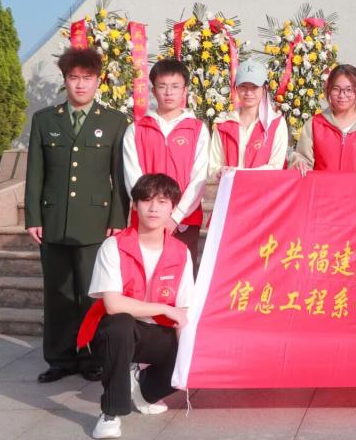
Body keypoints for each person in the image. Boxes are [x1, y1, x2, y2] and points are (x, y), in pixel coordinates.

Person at [24, 47, 130, 383]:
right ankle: (60, 359)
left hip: (95, 222)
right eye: (74, 78)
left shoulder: (114, 121)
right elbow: (35, 173)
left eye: (87, 78)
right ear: (65, 80)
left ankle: (93, 358)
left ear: (98, 81)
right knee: (58, 294)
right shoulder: (45, 120)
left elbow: (119, 175)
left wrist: (118, 219)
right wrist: (33, 217)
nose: (80, 84)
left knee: (92, 293)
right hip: (54, 220)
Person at [81, 173, 193, 440]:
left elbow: (184, 311)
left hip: (157, 333)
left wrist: (187, 358)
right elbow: (112, 304)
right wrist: (162, 309)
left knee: (190, 350)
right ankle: (111, 411)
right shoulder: (114, 246)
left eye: (162, 201)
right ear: (134, 205)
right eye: (146, 200)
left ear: (172, 208)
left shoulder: (181, 252)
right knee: (119, 325)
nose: (153, 208)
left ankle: (144, 388)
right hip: (116, 332)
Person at [122, 59, 210, 272]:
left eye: (175, 86)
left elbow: (199, 178)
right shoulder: (137, 129)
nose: (169, 93)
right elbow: (132, 176)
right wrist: (153, 212)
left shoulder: (197, 129)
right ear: (153, 91)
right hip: (146, 221)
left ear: (185, 90)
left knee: (181, 279)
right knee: (142, 276)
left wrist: (175, 216)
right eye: (162, 86)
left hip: (184, 222)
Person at [290, 64, 356, 173]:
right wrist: (299, 162)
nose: (342, 95)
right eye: (336, 89)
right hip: (322, 184)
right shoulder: (315, 124)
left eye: (349, 90)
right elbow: (303, 159)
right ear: (328, 90)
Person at [209, 58, 288, 179]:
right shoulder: (223, 124)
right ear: (236, 88)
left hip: (264, 190)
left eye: (254, 87)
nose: (248, 93)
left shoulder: (276, 123)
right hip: (230, 189)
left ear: (264, 89)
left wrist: (239, 174)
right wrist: (219, 172)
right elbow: (213, 167)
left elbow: (276, 167)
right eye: (243, 86)